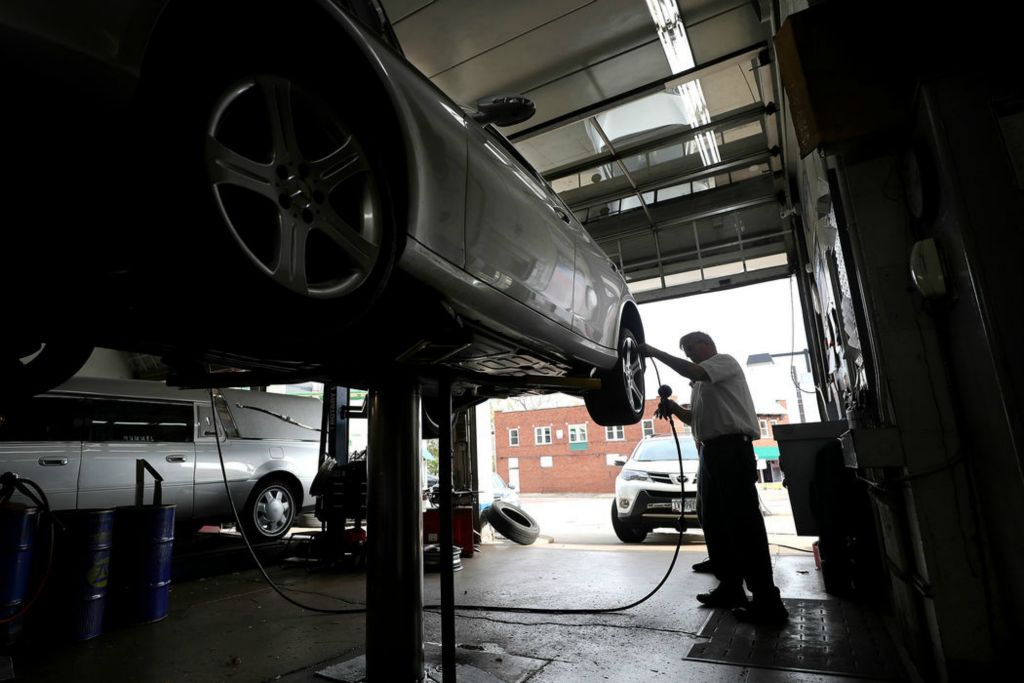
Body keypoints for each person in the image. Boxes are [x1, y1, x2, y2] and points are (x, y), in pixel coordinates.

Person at [642, 331, 788, 625]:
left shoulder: (724, 363)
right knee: (714, 520)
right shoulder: (700, 383)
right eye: (685, 351)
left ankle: (767, 600)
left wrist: (653, 352)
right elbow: (695, 418)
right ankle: (730, 587)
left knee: (743, 524)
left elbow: (694, 371)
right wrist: (675, 409)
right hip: (711, 453)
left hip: (732, 449)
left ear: (707, 343)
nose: (689, 355)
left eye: (690, 348)